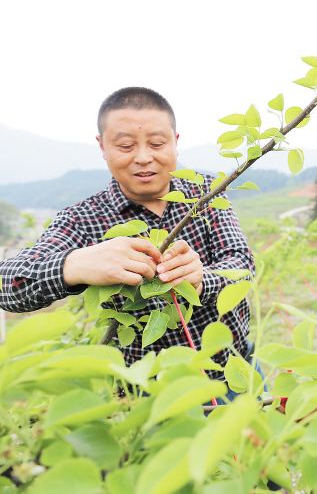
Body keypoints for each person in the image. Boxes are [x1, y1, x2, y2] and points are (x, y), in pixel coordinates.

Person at [0, 87, 255, 373]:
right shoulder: (83, 219)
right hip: (147, 396)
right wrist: (74, 264)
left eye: (157, 143)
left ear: (175, 142)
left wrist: (201, 279)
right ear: (102, 147)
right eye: (125, 146)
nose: (143, 157)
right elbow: (7, 286)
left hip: (234, 368)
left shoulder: (206, 192)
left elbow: (241, 262)